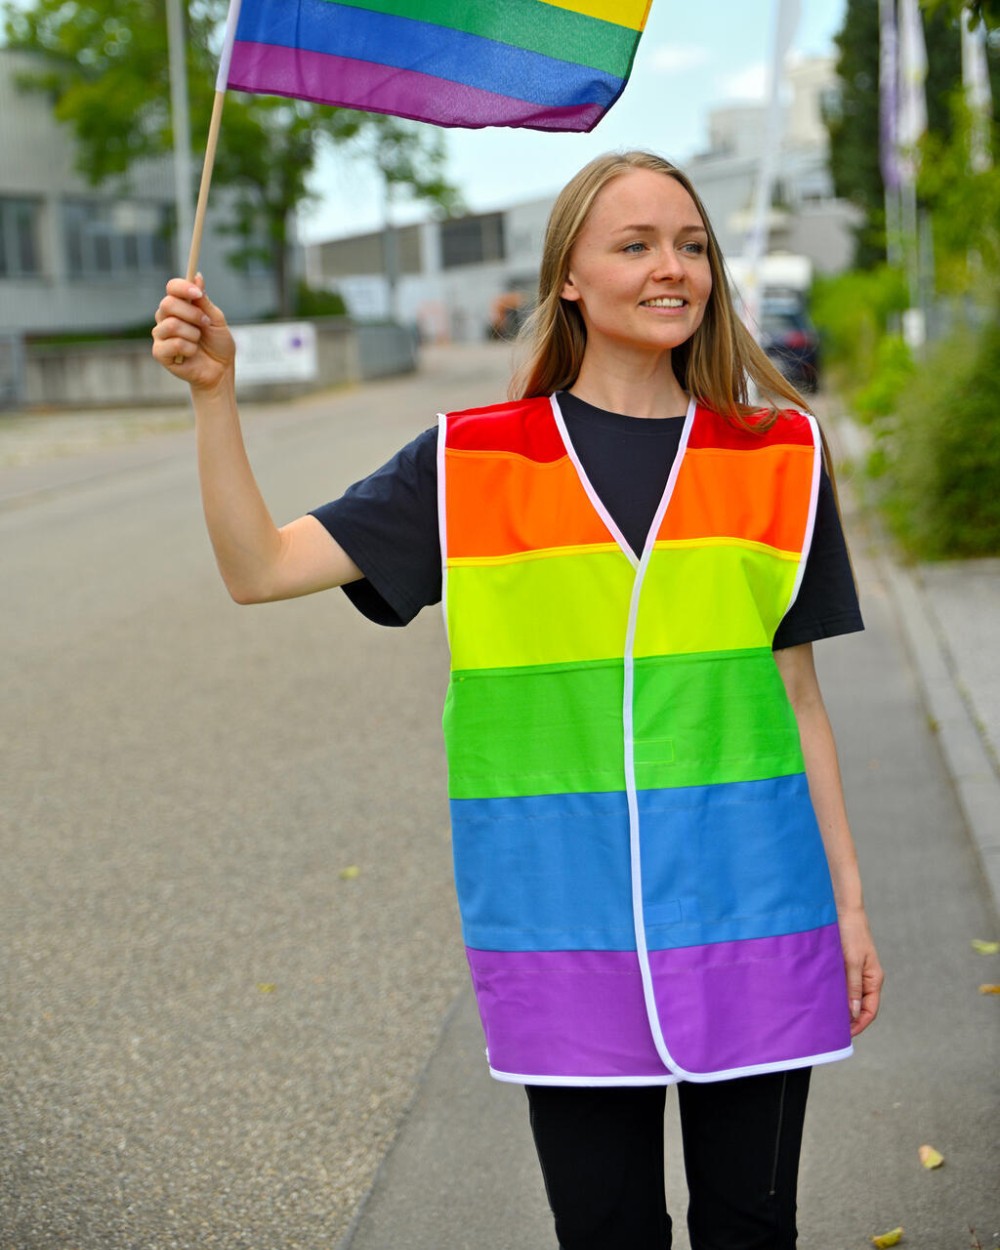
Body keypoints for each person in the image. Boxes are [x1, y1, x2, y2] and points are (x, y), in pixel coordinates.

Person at [152, 149, 883, 1250]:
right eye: (635, 245)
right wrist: (216, 397)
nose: (672, 267)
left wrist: (851, 908)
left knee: (752, 1227)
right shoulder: (468, 462)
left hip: (757, 909)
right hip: (561, 925)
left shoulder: (780, 454)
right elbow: (258, 567)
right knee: (605, 1230)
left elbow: (800, 699)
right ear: (569, 279)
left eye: (690, 245)